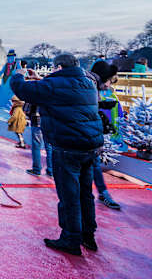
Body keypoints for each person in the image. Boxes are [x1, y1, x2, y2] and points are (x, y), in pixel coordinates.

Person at [11, 54, 103, 256]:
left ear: (59, 67)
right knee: (85, 193)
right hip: (89, 147)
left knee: (69, 195)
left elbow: (22, 90)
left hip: (67, 147)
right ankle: (88, 235)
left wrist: (17, 75)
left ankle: (71, 239)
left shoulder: (54, 84)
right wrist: (42, 80)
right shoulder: (88, 83)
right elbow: (63, 89)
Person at [89, 61, 122, 210]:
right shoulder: (89, 89)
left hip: (88, 138)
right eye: (108, 80)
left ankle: (102, 192)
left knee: (94, 163)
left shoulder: (93, 88)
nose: (108, 85)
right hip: (81, 138)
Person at [23, 91, 53, 177]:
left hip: (36, 120)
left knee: (36, 145)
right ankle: (51, 170)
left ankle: (36, 169)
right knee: (49, 146)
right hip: (49, 121)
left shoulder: (34, 90)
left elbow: (26, 108)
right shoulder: (51, 89)